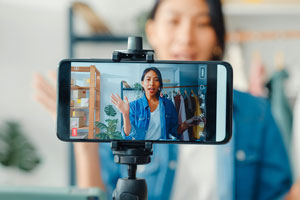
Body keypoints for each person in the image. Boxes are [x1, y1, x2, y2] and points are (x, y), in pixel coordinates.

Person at [34, 0, 299, 199]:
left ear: (218, 38)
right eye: (173, 21)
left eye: (203, 23)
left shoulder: (257, 113)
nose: (186, 37)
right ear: (152, 31)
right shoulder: (131, 111)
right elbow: (98, 194)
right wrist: (85, 146)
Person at [110, 67, 180, 140]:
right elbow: (127, 135)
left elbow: (173, 131)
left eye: (156, 80)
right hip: (140, 149)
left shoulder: (168, 104)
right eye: (148, 79)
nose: (152, 83)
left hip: (161, 148)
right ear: (142, 83)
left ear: (159, 84)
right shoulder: (134, 106)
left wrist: (185, 125)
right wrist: (125, 114)